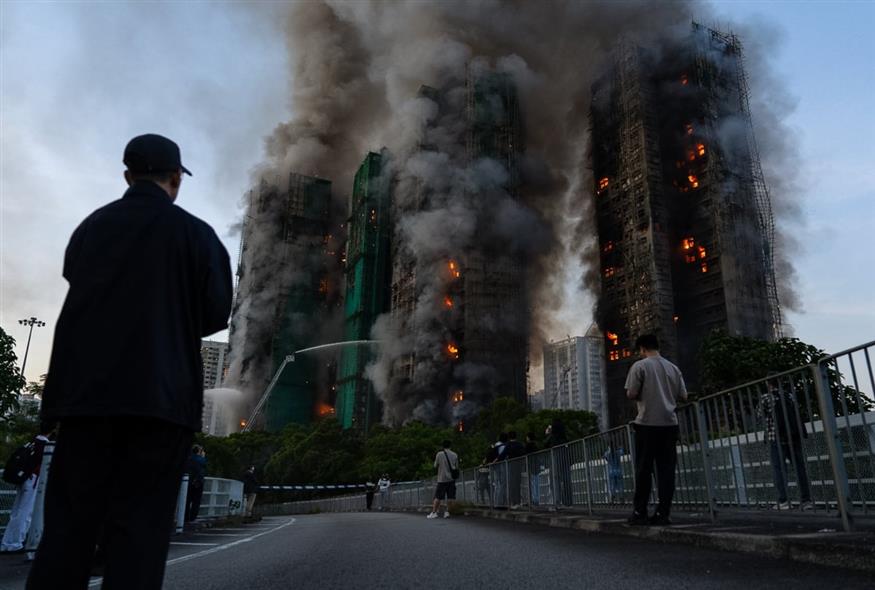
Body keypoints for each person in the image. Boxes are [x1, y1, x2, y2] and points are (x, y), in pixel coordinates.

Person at [27, 134, 233, 589]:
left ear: (127, 175)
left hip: (84, 403)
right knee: (140, 535)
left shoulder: (92, 227)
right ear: (176, 179)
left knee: (67, 531)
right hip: (160, 404)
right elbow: (216, 313)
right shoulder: (197, 235)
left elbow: (74, 277)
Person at [625, 334, 687, 526]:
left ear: (642, 348)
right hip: (670, 424)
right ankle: (663, 513)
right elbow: (683, 396)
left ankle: (640, 512)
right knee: (666, 471)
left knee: (644, 469)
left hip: (646, 424)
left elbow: (632, 393)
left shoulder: (640, 366)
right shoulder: (673, 368)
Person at [760, 377, 813, 510]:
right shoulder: (789, 396)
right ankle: (806, 501)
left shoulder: (766, 397)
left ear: (768, 383)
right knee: (799, 468)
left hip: (776, 437)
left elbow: (760, 415)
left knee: (779, 469)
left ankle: (783, 501)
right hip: (793, 436)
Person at [0, 425, 53, 553]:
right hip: (32, 481)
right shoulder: (45, 445)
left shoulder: (31, 443)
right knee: (25, 512)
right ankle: (16, 543)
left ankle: (6, 543)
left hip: (23, 479)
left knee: (16, 511)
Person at [427, 440, 459, 519]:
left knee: (438, 497)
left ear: (443, 446)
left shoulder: (439, 454)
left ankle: (434, 512)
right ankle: (447, 512)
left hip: (442, 479)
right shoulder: (455, 455)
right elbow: (456, 467)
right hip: (451, 479)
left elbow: (435, 465)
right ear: (450, 446)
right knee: (450, 497)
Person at [545, 419, 572, 506]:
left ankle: (557, 501)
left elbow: (545, 444)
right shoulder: (564, 437)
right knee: (566, 479)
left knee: (555, 479)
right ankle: (568, 501)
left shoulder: (553, 437)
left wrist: (548, 433)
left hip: (556, 457)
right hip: (565, 456)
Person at [185, 445, 207, 522]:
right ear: (199, 451)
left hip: (188, 482)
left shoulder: (189, 458)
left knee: (187, 500)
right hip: (197, 483)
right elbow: (203, 465)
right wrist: (203, 456)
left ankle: (185, 517)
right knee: (196, 501)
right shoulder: (200, 459)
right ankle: (192, 517)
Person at [504, 431, 526, 509]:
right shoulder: (519, 444)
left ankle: (514, 502)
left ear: (509, 437)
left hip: (511, 466)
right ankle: (519, 502)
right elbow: (523, 453)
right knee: (518, 484)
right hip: (519, 466)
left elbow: (504, 454)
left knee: (512, 484)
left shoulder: (508, 445)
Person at [525, 432, 541, 506]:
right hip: (537, 465)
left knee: (533, 483)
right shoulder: (536, 445)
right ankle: (537, 499)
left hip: (531, 465)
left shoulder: (528, 445)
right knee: (536, 482)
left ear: (529, 438)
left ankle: (534, 500)